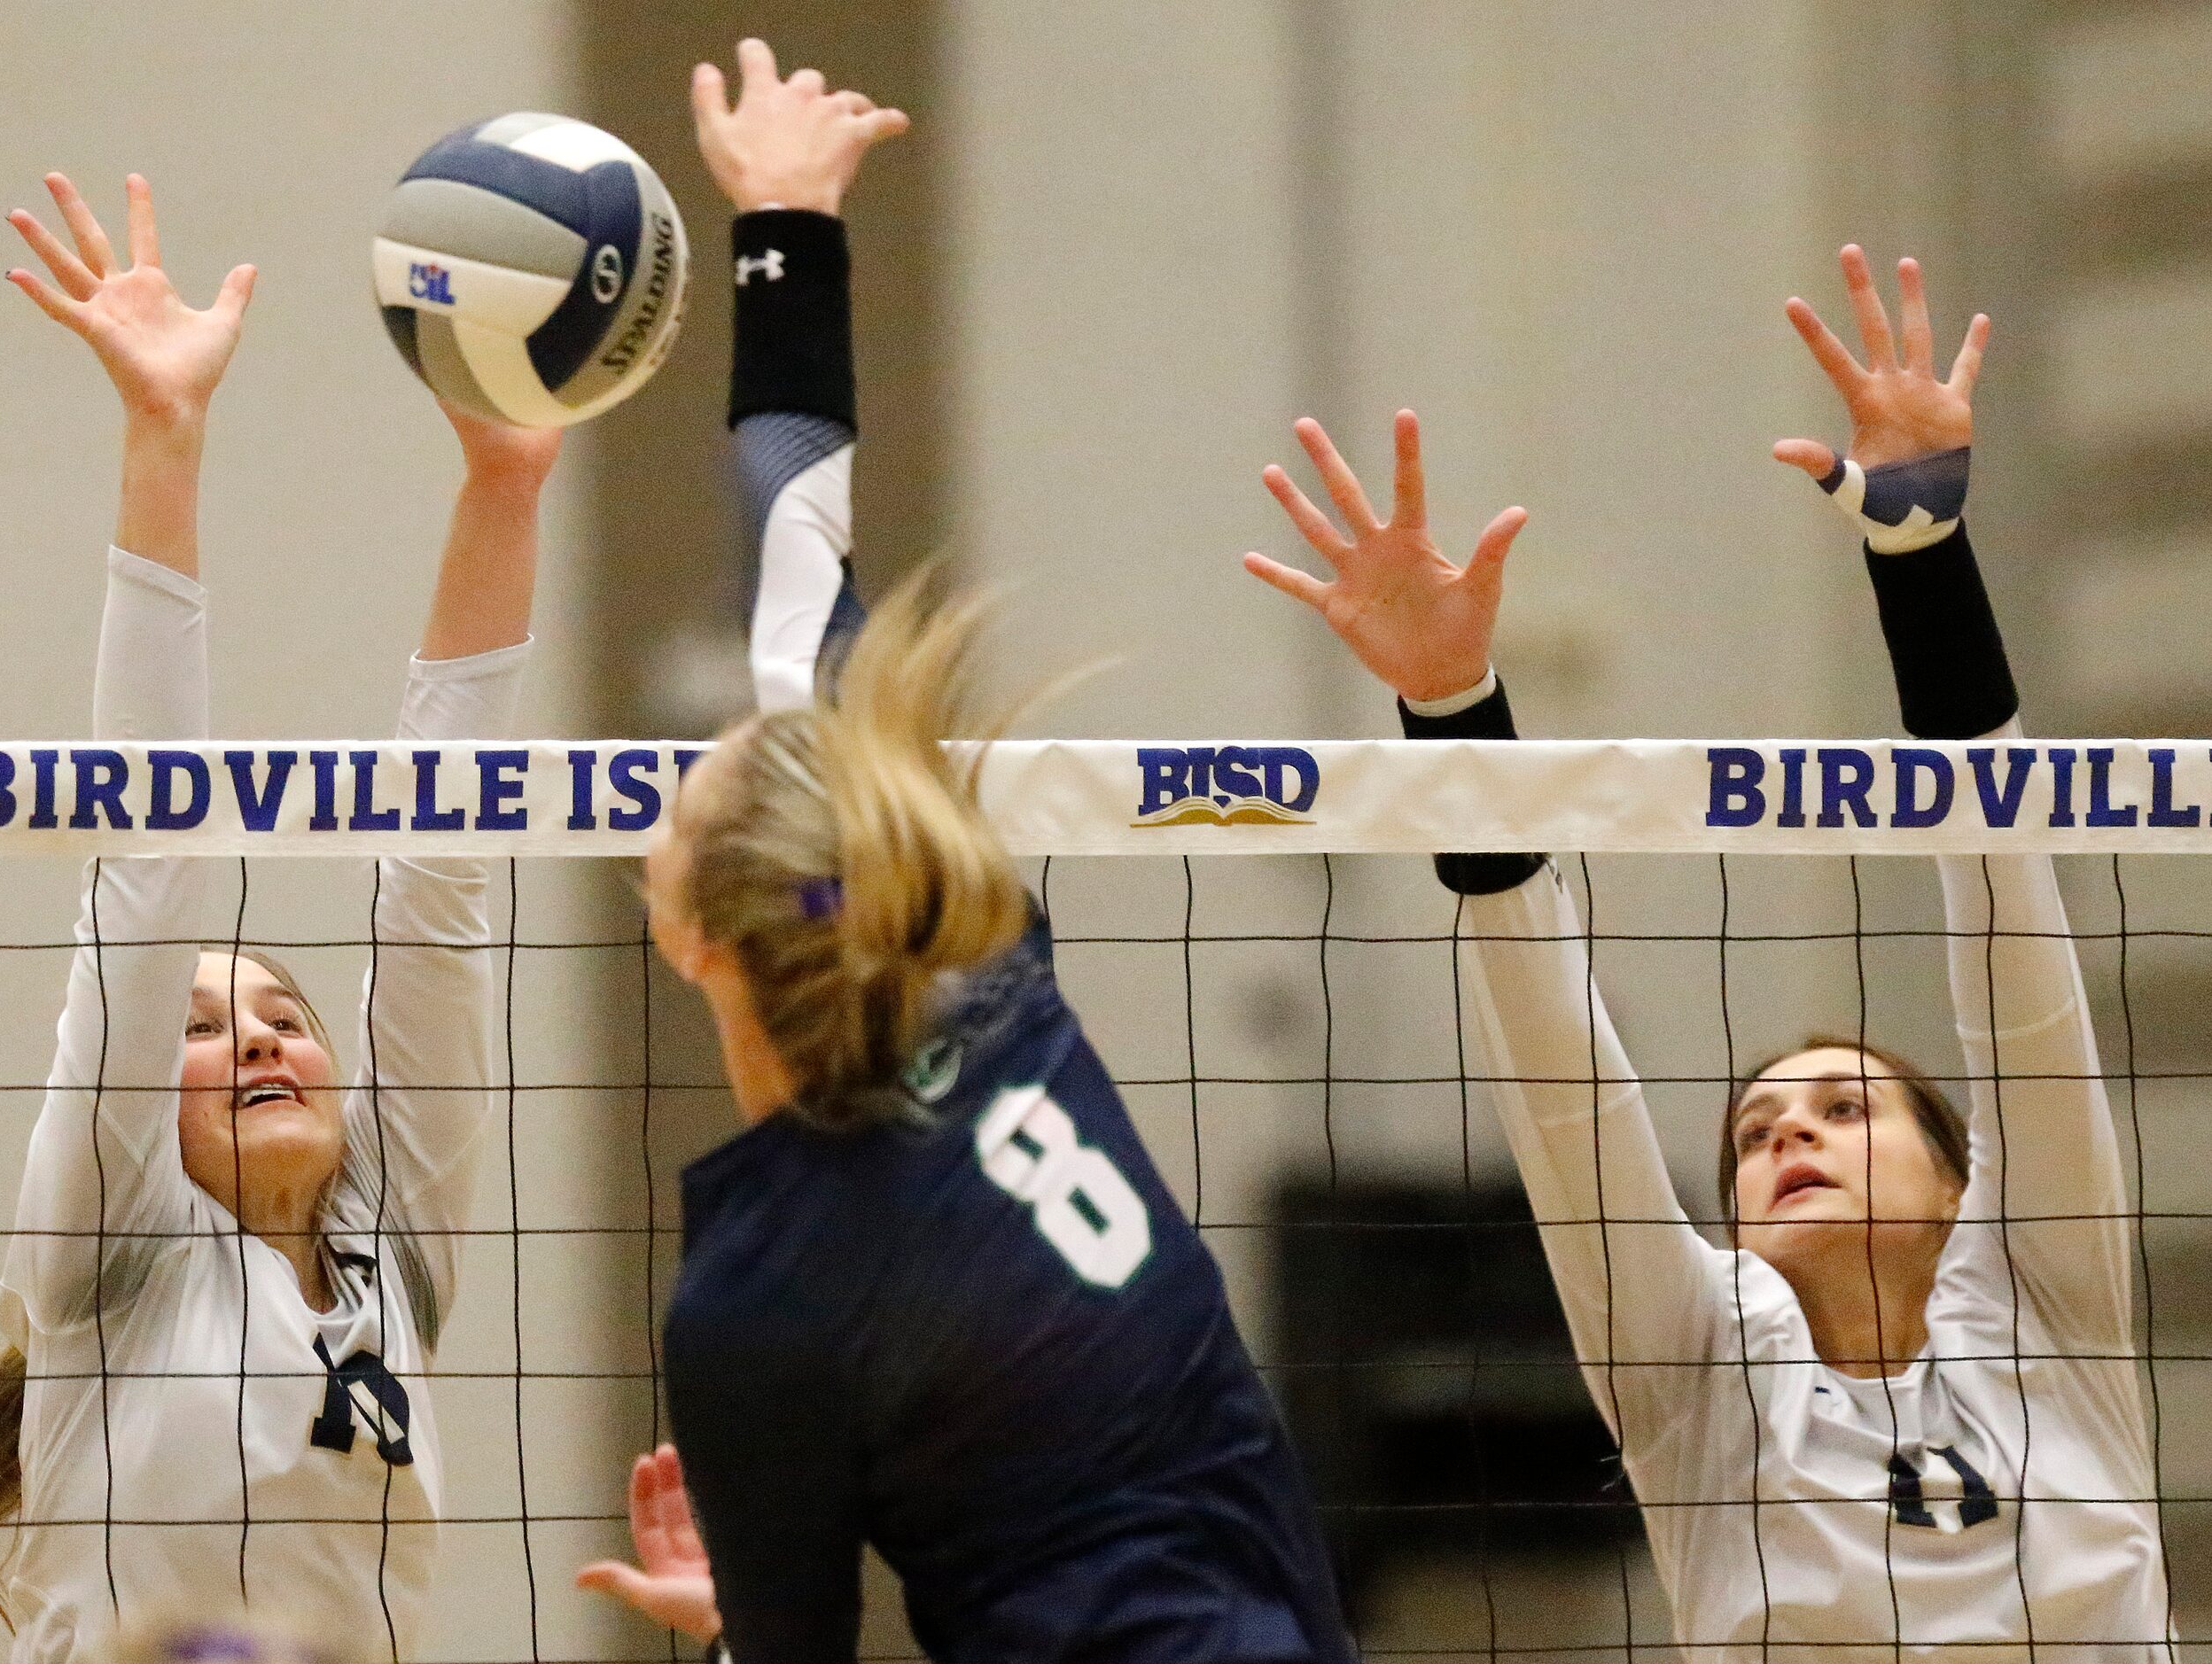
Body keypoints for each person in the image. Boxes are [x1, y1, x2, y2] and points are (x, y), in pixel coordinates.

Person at [1244, 247, 2173, 1657]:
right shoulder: (1695, 1362)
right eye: (1751, 1132)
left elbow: (2008, 908)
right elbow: (1563, 1081)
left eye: (1843, 1109)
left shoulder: (2048, 1299)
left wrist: (1921, 554)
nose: (1786, 1133)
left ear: (1960, 1183)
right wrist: (1455, 715)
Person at [575, 41, 1357, 1664]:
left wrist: (731, 1624)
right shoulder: (985, 976)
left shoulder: (759, 1294)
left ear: (695, 932)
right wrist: (785, 221)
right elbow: (797, 574)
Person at [0, 171, 557, 1662]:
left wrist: (502, 488)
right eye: (199, 1029)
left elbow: (440, 881)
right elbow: (147, 857)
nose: (255, 1036)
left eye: (281, 1015)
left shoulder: (398, 1255)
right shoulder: (114, 1251)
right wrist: (163, 438)